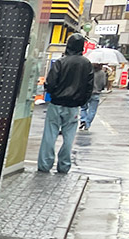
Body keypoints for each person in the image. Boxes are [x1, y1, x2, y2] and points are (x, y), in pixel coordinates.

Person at [37, 34, 93, 174]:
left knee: (50, 134)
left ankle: (45, 164)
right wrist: (81, 101)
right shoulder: (86, 64)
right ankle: (64, 165)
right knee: (69, 137)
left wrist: (53, 93)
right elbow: (89, 87)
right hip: (73, 106)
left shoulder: (60, 62)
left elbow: (51, 83)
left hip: (56, 103)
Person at [80, 63, 107, 130]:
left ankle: (83, 119)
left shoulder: (87, 71)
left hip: (86, 93)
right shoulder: (102, 73)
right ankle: (87, 123)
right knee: (92, 110)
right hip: (96, 93)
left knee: (83, 108)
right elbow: (103, 83)